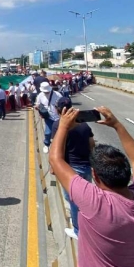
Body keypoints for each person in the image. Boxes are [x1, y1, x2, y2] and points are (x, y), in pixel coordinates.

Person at [49, 106, 134, 267]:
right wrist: (117, 126)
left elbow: (56, 160)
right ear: (128, 173)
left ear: (96, 176)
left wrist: (62, 126)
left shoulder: (96, 203)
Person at [50, 97, 95, 240]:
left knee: (73, 200)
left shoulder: (58, 125)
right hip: (86, 167)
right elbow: (92, 144)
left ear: (59, 110)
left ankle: (77, 230)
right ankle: (85, 222)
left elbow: (56, 148)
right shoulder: (85, 125)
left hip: (70, 169)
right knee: (85, 199)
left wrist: (54, 166)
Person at [35, 81, 62, 153]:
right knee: (48, 132)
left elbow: (62, 104)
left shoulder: (58, 95)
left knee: (59, 133)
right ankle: (47, 144)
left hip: (58, 117)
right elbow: (37, 104)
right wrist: (39, 109)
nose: (46, 93)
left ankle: (58, 145)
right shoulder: (40, 95)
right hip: (48, 117)